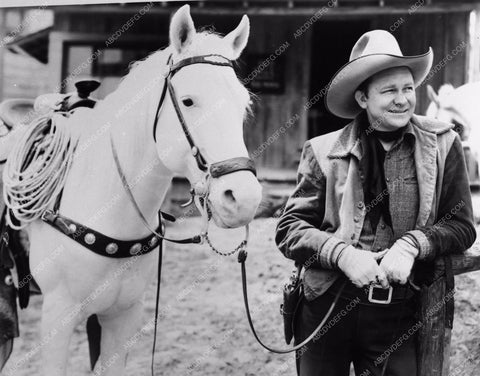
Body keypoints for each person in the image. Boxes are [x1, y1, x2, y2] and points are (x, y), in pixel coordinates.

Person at [275, 29, 476, 376]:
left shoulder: (443, 144)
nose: (402, 100)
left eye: (408, 88)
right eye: (389, 91)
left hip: (397, 312)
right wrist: (344, 254)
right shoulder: (323, 151)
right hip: (326, 304)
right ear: (363, 98)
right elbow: (289, 229)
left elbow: (461, 226)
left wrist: (414, 245)